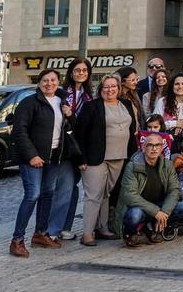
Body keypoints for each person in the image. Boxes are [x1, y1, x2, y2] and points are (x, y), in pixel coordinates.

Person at [9, 69, 78, 258]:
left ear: (58, 82)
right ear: (39, 83)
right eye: (45, 80)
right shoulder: (29, 103)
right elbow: (19, 131)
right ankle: (17, 240)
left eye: (53, 80)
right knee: (33, 194)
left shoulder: (61, 102)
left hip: (54, 157)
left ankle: (40, 233)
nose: (49, 83)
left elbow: (68, 129)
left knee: (48, 194)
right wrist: (31, 155)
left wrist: (70, 115)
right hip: (33, 158)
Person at [74, 73, 134, 246]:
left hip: (120, 156)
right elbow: (80, 134)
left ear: (119, 88)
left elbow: (132, 130)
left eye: (113, 86)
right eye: (106, 87)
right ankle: (87, 233)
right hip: (95, 158)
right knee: (94, 195)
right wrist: (81, 158)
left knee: (106, 193)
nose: (110, 90)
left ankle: (103, 227)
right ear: (100, 89)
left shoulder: (127, 104)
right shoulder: (91, 107)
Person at [117, 134, 183, 247]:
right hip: (138, 207)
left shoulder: (168, 165)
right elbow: (129, 195)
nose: (154, 148)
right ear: (143, 147)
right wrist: (156, 212)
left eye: (157, 145)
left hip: (159, 205)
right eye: (150, 145)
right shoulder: (133, 166)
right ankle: (129, 233)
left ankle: (153, 228)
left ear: (162, 148)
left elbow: (174, 190)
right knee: (135, 215)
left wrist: (164, 212)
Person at [50, 58, 93, 241]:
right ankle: (53, 229)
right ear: (71, 72)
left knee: (74, 188)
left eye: (84, 70)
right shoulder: (62, 93)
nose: (81, 73)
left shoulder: (89, 95)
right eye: (77, 70)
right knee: (64, 187)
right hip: (66, 147)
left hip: (82, 147)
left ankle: (66, 226)